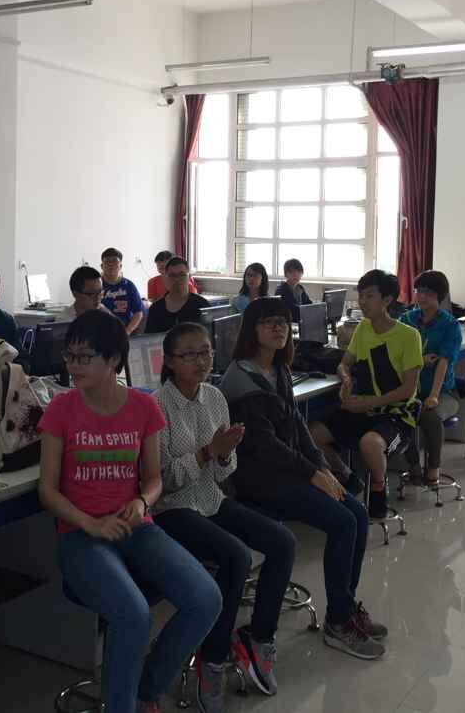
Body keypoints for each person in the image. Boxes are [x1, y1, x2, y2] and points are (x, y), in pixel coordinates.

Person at [38, 311, 221, 713]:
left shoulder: (142, 407)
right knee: (133, 615)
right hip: (81, 536)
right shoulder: (61, 409)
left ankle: (144, 690)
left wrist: (142, 502)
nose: (73, 366)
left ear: (113, 361)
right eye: (70, 356)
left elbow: (153, 479)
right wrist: (90, 523)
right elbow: (47, 491)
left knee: (206, 598)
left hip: (136, 526)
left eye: (84, 357)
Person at [219, 297, 387, 660]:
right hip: (259, 480)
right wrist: (312, 474)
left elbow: (297, 425)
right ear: (251, 329)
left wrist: (323, 467)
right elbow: (266, 447)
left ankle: (344, 608)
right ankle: (338, 623)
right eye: (268, 322)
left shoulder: (277, 368)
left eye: (282, 321)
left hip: (287, 471)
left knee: (357, 514)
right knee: (343, 522)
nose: (278, 328)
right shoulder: (241, 379)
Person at [153, 323, 296, 709]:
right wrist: (207, 452)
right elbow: (161, 483)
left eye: (206, 352)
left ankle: (259, 638)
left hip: (210, 499)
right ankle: (212, 659)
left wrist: (225, 453)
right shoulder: (157, 406)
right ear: (170, 361)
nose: (201, 361)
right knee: (236, 556)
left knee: (283, 542)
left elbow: (221, 474)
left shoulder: (215, 397)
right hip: (172, 509)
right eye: (190, 354)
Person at [313, 270, 422, 520]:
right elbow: (344, 363)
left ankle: (379, 489)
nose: (362, 302)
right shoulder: (363, 328)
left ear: (387, 299)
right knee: (311, 434)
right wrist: (346, 379)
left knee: (370, 443)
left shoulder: (408, 336)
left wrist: (369, 403)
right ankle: (348, 478)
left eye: (369, 296)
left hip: (397, 415)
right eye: (361, 296)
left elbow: (408, 389)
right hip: (362, 408)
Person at [399, 270, 462, 487]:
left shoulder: (450, 325)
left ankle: (433, 467)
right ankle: (413, 465)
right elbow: (397, 354)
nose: (422, 296)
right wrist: (420, 359)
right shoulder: (406, 319)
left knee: (429, 416)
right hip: (409, 389)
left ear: (440, 295)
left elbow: (443, 362)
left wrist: (434, 395)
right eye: (419, 291)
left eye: (428, 292)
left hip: (442, 391)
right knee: (401, 413)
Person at [145, 257, 211, 334]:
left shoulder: (202, 305)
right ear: (166, 278)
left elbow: (209, 336)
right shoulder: (156, 309)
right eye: (172, 275)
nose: (177, 279)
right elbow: (150, 338)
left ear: (189, 277)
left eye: (182, 275)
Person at [100, 248, 145, 335]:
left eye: (114, 261)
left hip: (126, 330)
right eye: (107, 261)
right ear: (102, 266)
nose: (111, 264)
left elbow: (138, 312)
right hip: (101, 331)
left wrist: (127, 331)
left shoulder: (129, 285)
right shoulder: (96, 286)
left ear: (120, 266)